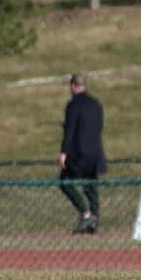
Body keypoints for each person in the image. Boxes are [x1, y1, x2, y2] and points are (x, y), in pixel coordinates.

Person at [58, 73, 106, 234]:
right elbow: (99, 126)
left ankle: (86, 214)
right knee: (91, 185)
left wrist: (64, 152)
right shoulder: (96, 104)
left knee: (64, 182)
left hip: (79, 153)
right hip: (95, 151)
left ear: (72, 86)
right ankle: (94, 221)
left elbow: (70, 130)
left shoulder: (73, 105)